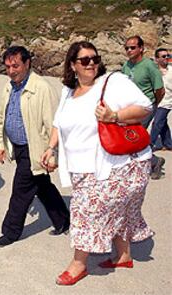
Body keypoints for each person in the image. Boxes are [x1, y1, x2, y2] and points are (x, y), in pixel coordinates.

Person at [41, 41, 154, 286]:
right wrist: (51, 148)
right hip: (80, 168)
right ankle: (123, 255)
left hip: (115, 165)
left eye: (94, 58)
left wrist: (115, 116)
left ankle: (78, 265)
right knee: (119, 211)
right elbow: (58, 123)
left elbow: (146, 106)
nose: (91, 63)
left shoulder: (112, 83)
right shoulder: (68, 91)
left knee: (84, 214)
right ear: (72, 65)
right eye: (84, 60)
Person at [0, 46, 70, 248]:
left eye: (16, 66)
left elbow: (54, 124)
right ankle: (62, 220)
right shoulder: (9, 86)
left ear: (27, 63)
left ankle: (10, 232)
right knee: (42, 185)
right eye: (8, 66)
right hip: (17, 146)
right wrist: (0, 143)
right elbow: (2, 116)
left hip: (35, 149)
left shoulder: (42, 88)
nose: (11, 70)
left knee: (21, 190)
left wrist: (51, 152)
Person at [122, 35, 165, 179]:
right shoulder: (126, 65)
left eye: (132, 47)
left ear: (141, 48)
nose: (129, 50)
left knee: (134, 136)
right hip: (130, 108)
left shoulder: (149, 65)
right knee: (130, 137)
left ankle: (152, 162)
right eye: (127, 48)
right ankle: (153, 160)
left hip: (146, 107)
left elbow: (160, 89)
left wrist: (153, 105)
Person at [150, 48, 172, 153]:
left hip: (167, 102)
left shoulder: (171, 70)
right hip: (156, 101)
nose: (167, 58)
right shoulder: (154, 71)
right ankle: (168, 144)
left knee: (157, 123)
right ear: (157, 59)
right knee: (163, 123)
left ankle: (149, 146)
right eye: (163, 56)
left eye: (168, 56)